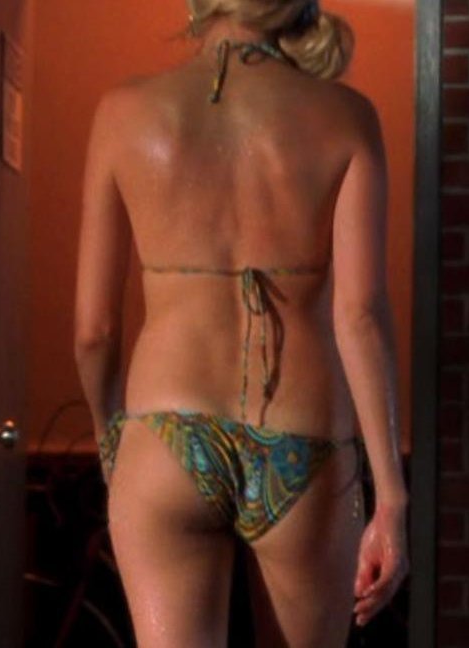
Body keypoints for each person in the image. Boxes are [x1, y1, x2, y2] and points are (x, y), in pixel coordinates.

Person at [73, 1, 408, 645]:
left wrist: (109, 436)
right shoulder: (346, 117)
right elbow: (361, 316)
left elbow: (94, 331)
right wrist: (391, 497)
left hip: (165, 436)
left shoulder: (123, 113)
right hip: (303, 442)